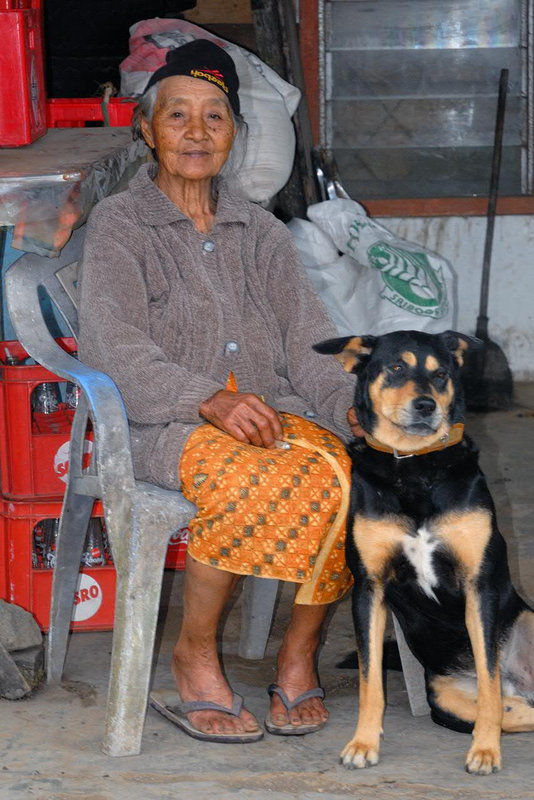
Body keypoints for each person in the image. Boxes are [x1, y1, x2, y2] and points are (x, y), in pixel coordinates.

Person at [78, 39, 360, 744]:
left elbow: (310, 339)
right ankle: (194, 652)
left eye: (214, 118)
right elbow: (114, 346)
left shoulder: (259, 232)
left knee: (350, 475)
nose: (196, 133)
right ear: (147, 129)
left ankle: (297, 653)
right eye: (177, 117)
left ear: (234, 134)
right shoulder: (120, 225)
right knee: (246, 482)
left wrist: (352, 406)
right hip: (162, 427)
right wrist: (207, 398)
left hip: (274, 415)